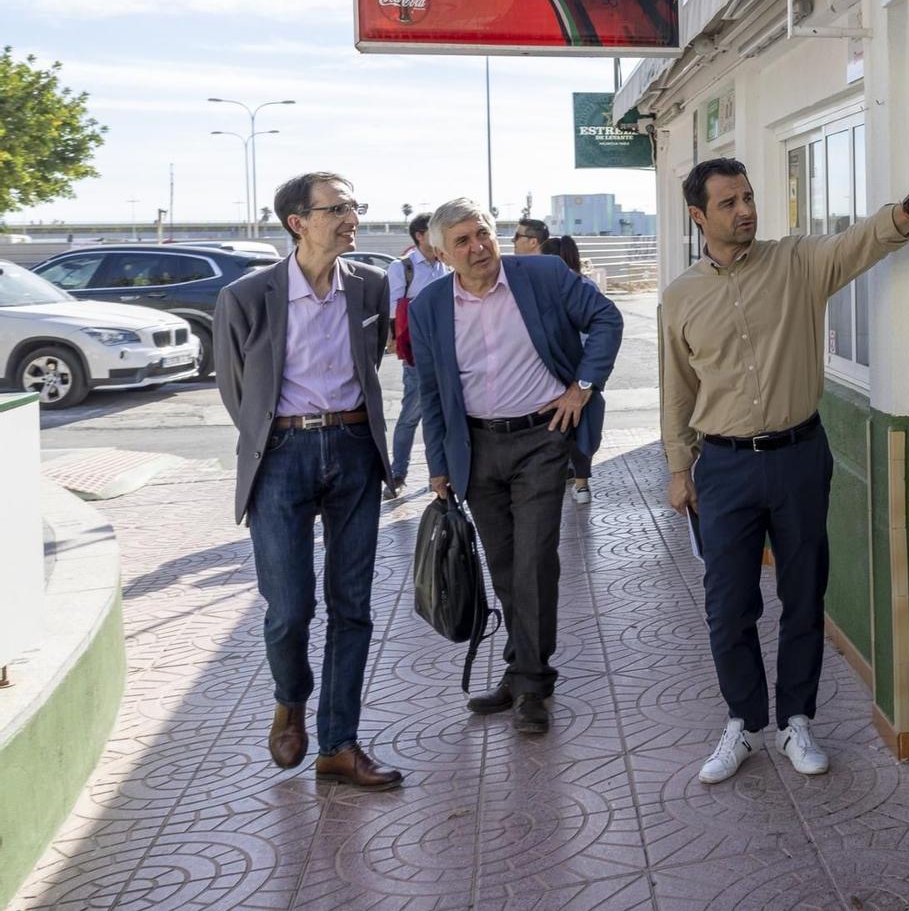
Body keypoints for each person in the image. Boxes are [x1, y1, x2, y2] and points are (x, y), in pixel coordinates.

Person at [663, 156, 909, 784]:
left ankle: (796, 719)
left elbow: (860, 242)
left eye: (748, 197)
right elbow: (677, 390)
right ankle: (744, 724)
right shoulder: (680, 297)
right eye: (729, 203)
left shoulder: (796, 262)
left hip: (800, 457)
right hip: (722, 466)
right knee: (729, 606)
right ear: (699, 216)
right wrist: (679, 467)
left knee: (803, 597)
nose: (745, 210)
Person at [214, 172, 402, 790]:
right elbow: (236, 391)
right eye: (340, 208)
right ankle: (290, 697)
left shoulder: (370, 287)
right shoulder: (246, 297)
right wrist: (279, 437)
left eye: (355, 205)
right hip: (281, 454)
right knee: (290, 607)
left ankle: (338, 744)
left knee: (353, 607)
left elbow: (368, 367)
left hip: (353, 450)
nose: (353, 218)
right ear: (299, 221)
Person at [409, 198, 623, 736]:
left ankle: (530, 682)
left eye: (482, 233)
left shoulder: (543, 274)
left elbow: (606, 318)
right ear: (441, 252)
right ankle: (522, 664)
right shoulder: (429, 305)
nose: (478, 247)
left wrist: (582, 387)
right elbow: (432, 392)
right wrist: (439, 466)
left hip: (542, 439)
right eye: (462, 241)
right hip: (476, 449)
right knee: (503, 564)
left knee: (534, 559)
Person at [384, 211, 449, 499]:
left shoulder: (444, 265)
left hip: (447, 349)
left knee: (447, 414)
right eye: (434, 231)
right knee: (411, 415)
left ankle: (443, 471)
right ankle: (398, 473)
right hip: (417, 352)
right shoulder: (403, 268)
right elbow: (391, 310)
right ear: (420, 236)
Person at [548, 234, 600, 504]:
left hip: (557, 370)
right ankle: (581, 485)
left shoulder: (545, 290)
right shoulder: (587, 285)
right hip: (586, 369)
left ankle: (565, 479)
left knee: (557, 426)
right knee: (583, 427)